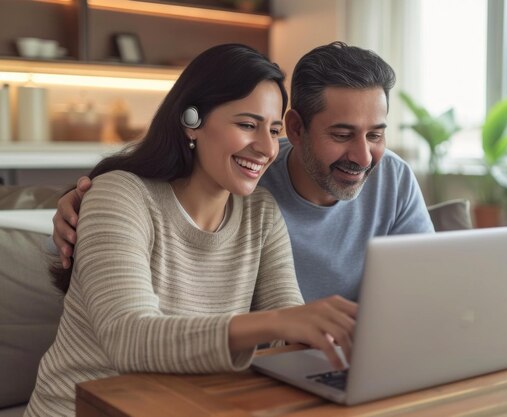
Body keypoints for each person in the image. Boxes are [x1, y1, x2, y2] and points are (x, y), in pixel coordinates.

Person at [25, 44, 357, 417]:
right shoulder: (121, 195)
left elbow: (289, 323)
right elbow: (129, 339)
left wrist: (324, 330)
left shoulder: (260, 215)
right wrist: (275, 322)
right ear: (191, 120)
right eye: (248, 125)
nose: (266, 147)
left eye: (274, 129)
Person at [52, 42, 434, 303]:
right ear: (297, 129)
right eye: (342, 134)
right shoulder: (243, 178)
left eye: (376, 135)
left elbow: (429, 292)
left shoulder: (392, 180)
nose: (364, 156)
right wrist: (85, 201)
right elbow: (155, 184)